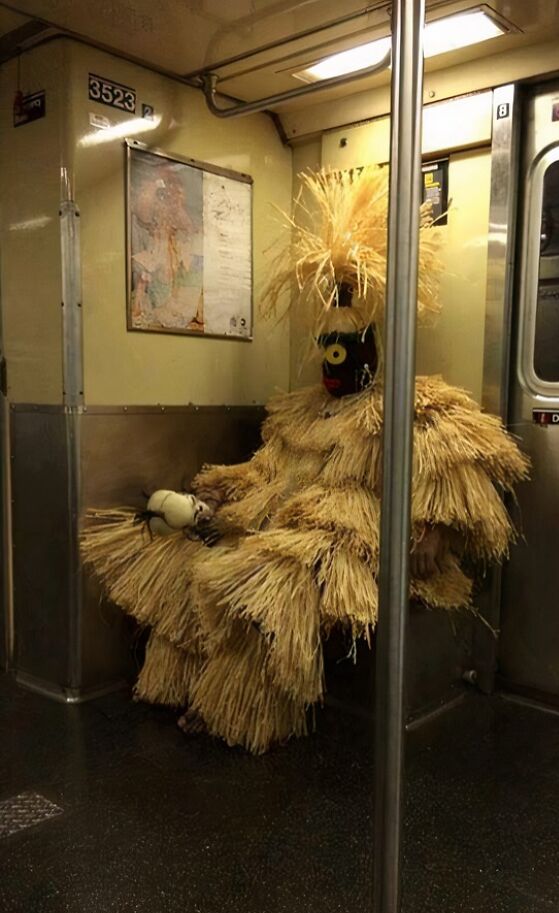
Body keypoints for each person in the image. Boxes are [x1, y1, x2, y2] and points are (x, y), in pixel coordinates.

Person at [82, 166, 529, 754]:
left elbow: (462, 480)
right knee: (185, 551)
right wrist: (221, 490)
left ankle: (235, 711)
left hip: (344, 541)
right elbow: (266, 470)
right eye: (327, 349)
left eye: (345, 351)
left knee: (273, 576)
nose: (333, 363)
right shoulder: (300, 413)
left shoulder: (411, 409)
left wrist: (436, 528)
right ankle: (180, 685)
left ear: (369, 349)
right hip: (277, 522)